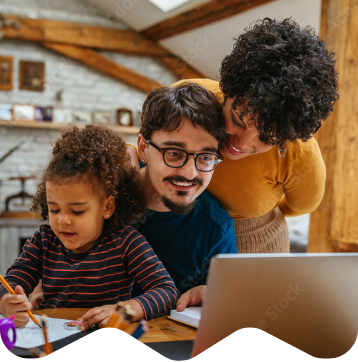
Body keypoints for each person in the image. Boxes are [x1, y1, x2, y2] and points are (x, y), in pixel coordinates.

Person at [173, 17, 339, 254]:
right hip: (176, 234)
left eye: (265, 138)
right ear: (228, 91)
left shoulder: (300, 155)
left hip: (254, 245)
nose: (240, 143)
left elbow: (299, 206)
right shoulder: (188, 98)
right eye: (238, 120)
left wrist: (256, 210)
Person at [0, 125, 178, 328]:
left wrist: (125, 310)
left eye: (77, 211)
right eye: (55, 210)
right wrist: (7, 302)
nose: (62, 220)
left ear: (107, 206)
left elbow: (166, 291)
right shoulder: (44, 240)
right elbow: (10, 281)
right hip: (49, 338)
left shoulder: (127, 243)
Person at [132, 81, 238, 309]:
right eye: (173, 153)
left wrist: (212, 294)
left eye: (206, 157)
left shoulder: (216, 229)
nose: (190, 173)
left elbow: (230, 302)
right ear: (142, 148)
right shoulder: (102, 198)